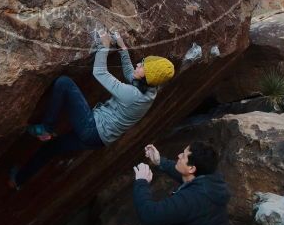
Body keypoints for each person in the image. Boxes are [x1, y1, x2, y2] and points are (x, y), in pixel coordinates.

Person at [9, 30, 174, 188]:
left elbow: (100, 72)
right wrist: (123, 48)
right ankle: (18, 180)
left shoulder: (133, 95)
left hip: (92, 128)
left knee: (64, 83)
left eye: (142, 65)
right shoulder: (151, 89)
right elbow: (132, 75)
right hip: (99, 139)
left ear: (147, 76)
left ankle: (46, 128)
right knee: (51, 148)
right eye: (142, 62)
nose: (138, 64)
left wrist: (104, 47)